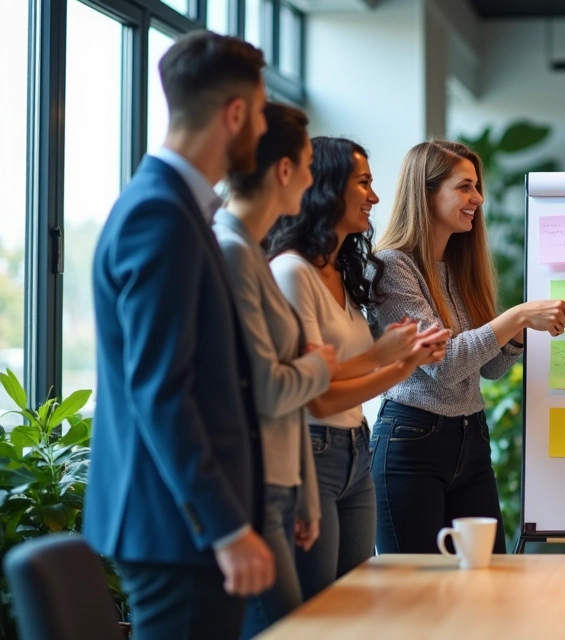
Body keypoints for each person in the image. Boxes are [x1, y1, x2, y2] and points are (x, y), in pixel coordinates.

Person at [85, 31, 274, 640]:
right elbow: (162, 391)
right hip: (178, 530)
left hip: (180, 525)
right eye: (261, 112)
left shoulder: (176, 207)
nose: (264, 128)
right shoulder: (159, 215)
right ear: (235, 114)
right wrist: (226, 527)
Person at [367, 140, 565, 554]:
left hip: (470, 438)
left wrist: (520, 333)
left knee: (488, 579)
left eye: (477, 187)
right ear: (426, 193)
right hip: (411, 443)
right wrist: (518, 316)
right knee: (417, 587)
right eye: (465, 187)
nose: (478, 199)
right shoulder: (391, 266)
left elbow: (488, 369)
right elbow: (446, 364)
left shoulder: (458, 268)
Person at [265, 137, 449, 598]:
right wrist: (396, 361)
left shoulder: (343, 272)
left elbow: (340, 373)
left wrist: (401, 358)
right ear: (327, 187)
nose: (375, 196)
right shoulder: (292, 272)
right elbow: (319, 396)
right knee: (318, 610)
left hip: (355, 449)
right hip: (314, 453)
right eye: (364, 183)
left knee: (354, 604)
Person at [214, 104, 343, 637]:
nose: (314, 181)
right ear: (284, 170)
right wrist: (319, 364)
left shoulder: (254, 251)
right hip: (255, 488)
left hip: (282, 484)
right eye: (309, 165)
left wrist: (304, 494)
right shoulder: (233, 252)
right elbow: (269, 387)